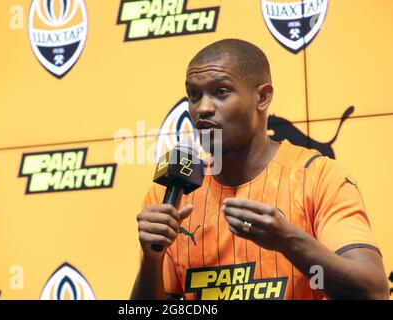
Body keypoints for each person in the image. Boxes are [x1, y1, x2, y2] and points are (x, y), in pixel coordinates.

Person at [130, 39, 389, 300]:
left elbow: (372, 293)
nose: (203, 108)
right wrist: (152, 260)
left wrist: (289, 242)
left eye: (221, 92)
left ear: (262, 97)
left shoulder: (318, 177)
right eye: (194, 96)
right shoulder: (169, 196)